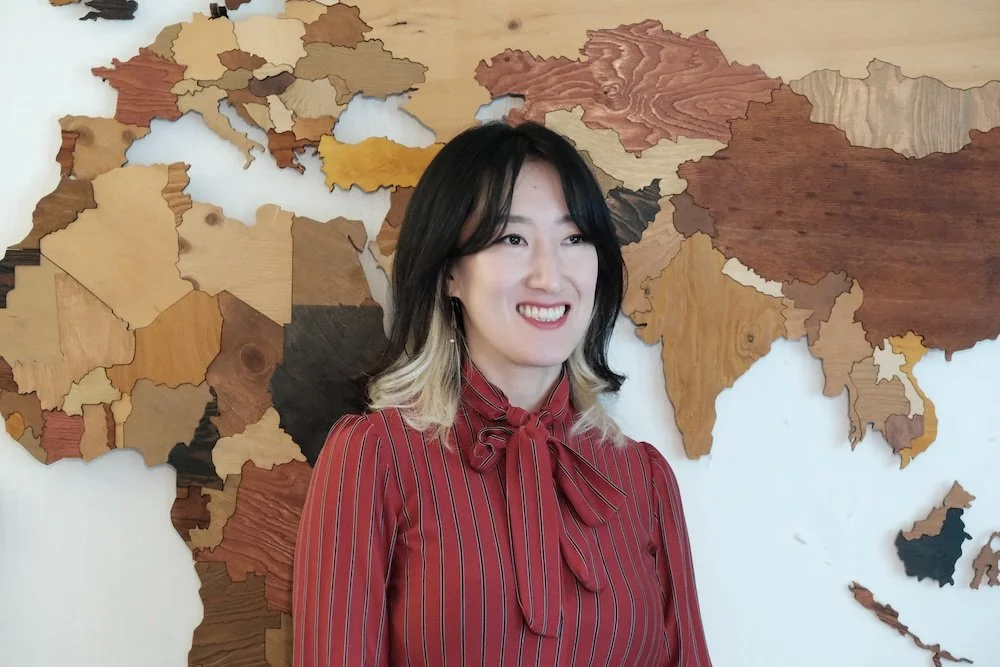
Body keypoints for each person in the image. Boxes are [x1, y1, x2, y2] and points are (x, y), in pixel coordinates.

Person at [292, 120, 713, 666]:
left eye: (573, 239)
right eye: (512, 239)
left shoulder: (644, 480)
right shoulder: (373, 458)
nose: (549, 275)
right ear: (450, 273)